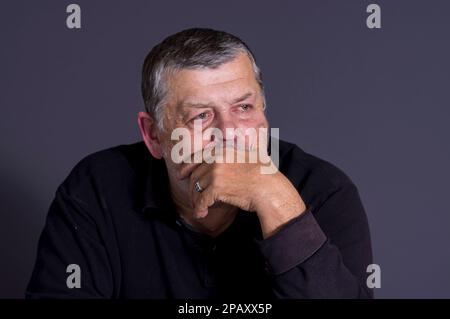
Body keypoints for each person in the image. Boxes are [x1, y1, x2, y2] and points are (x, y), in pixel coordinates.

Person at [26, 28, 373, 298]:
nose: (229, 134)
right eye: (201, 116)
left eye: (244, 108)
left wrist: (278, 203)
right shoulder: (95, 190)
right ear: (154, 135)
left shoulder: (325, 191)